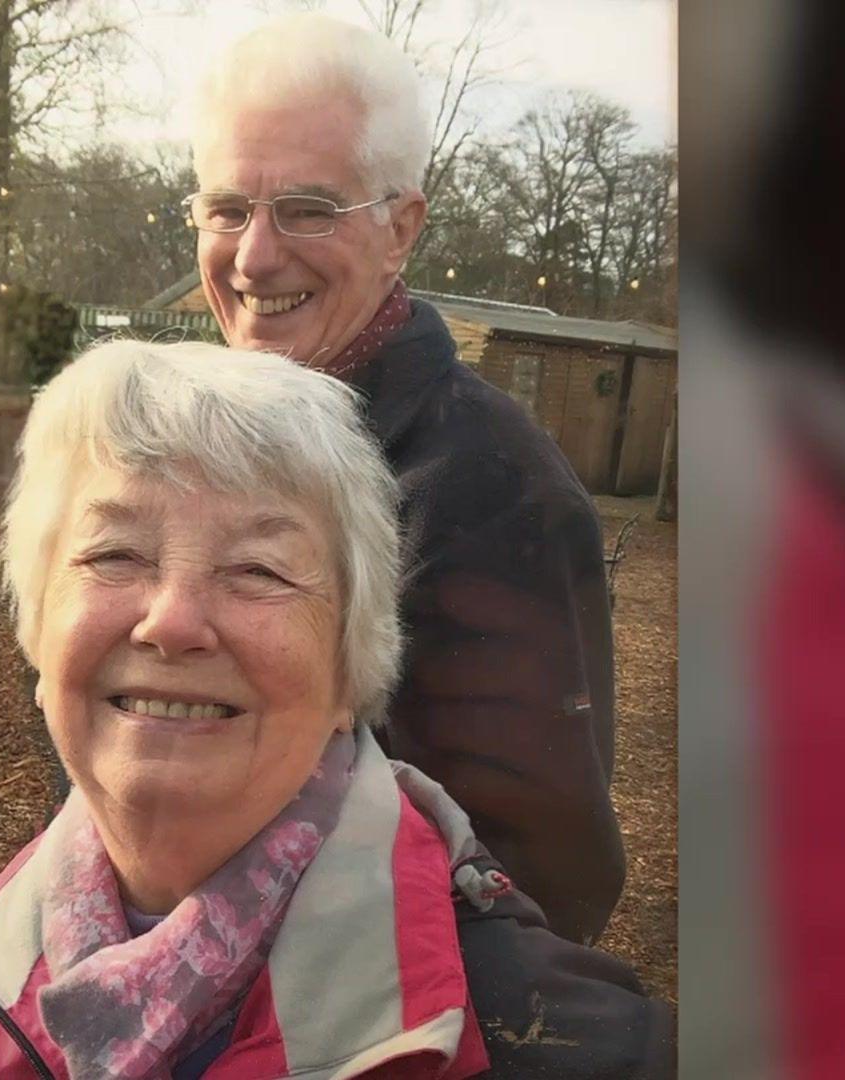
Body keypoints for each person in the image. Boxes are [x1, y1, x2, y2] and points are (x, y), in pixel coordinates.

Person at [0, 340, 670, 1079]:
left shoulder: (552, 1043)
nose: (171, 622)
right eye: (114, 554)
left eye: (258, 569)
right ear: (38, 635)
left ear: (347, 669)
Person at [180, 13, 623, 944]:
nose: (255, 257)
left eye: (307, 210)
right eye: (227, 209)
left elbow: (540, 880)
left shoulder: (493, 497)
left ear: (400, 230)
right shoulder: (209, 455)